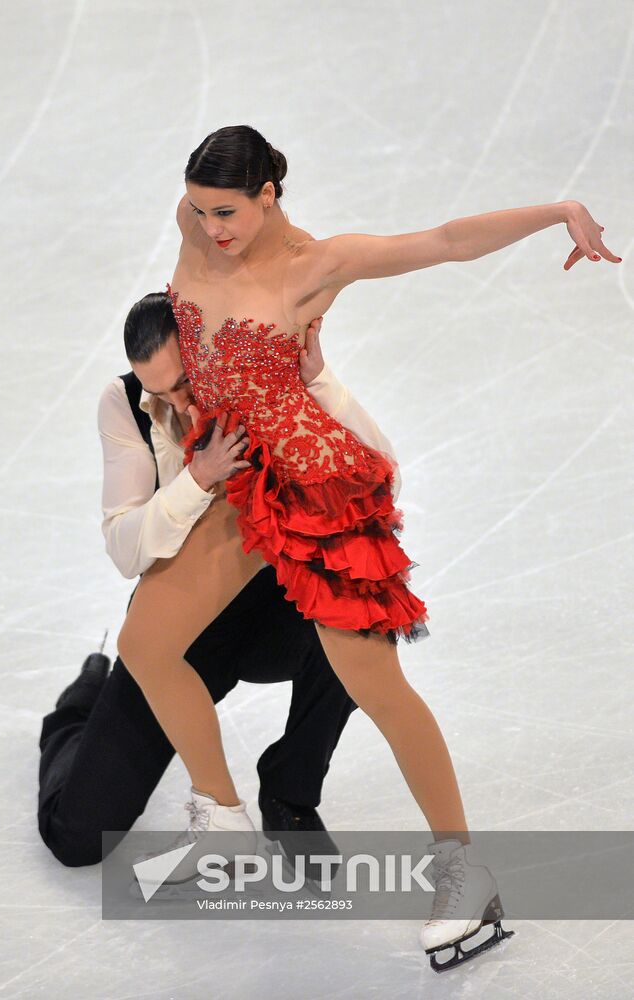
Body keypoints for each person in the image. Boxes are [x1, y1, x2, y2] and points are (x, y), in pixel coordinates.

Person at [116, 124, 619, 969]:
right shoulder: (191, 220)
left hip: (312, 489)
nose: (211, 229)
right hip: (233, 472)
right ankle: (225, 827)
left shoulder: (315, 265)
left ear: (270, 194)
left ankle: (465, 872)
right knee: (146, 644)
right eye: (200, 212)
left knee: (375, 684)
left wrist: (559, 209)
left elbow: (446, 242)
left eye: (228, 212)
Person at [38, 300, 402, 870]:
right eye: (159, 391)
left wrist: (321, 381)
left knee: (361, 605)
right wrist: (198, 477)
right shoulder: (125, 403)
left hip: (278, 613)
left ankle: (290, 793)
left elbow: (383, 474)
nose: (179, 403)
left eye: (184, 383)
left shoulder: (263, 386)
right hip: (182, 633)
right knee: (77, 837)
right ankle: (79, 704)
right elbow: (125, 548)